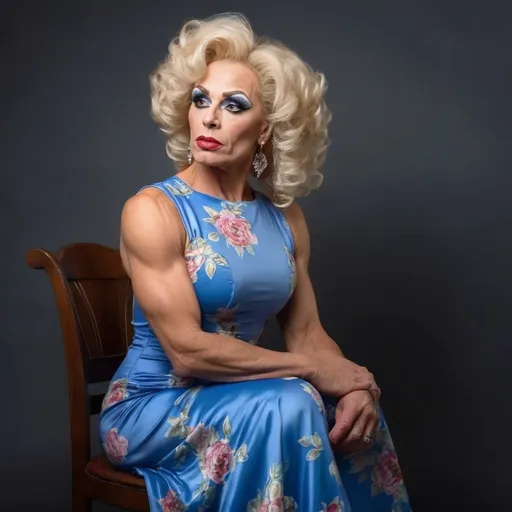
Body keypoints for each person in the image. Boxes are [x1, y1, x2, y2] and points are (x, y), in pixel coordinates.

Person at [99, 13, 411, 512]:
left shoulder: (285, 218)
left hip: (245, 398)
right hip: (152, 408)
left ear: (266, 129)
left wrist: (355, 381)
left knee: (352, 411)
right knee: (293, 401)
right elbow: (188, 353)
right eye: (200, 99)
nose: (209, 117)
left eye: (233, 105)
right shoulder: (152, 211)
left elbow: (307, 333)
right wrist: (312, 372)